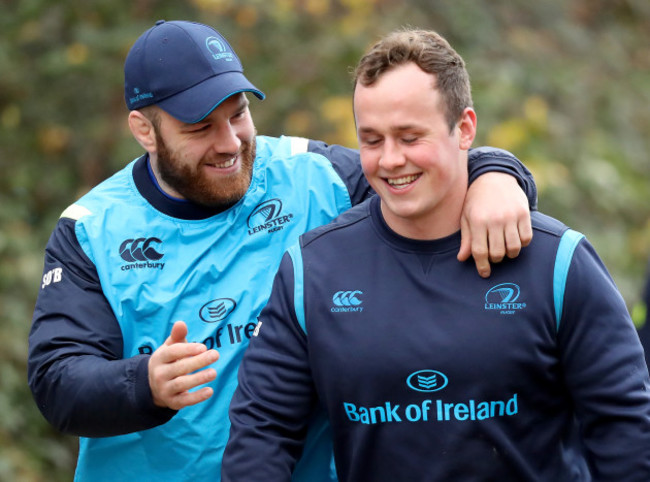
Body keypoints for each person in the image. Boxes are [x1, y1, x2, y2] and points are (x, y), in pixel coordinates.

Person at [27, 20, 538, 481]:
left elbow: (420, 173)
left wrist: (496, 173)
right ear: (145, 130)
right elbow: (56, 381)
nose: (229, 142)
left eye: (239, 114)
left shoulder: (315, 178)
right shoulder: (91, 229)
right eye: (200, 128)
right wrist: (144, 383)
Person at [222, 28, 650, 481]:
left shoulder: (557, 262)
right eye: (371, 140)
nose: (389, 160)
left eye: (409, 137)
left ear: (464, 128)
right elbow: (261, 435)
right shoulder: (314, 270)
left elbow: (627, 437)